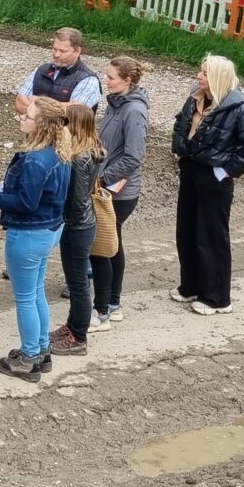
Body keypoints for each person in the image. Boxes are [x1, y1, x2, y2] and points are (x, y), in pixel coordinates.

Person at [170, 56, 244, 315]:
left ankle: (217, 298)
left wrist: (225, 171)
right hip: (190, 168)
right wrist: (178, 150)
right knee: (187, 230)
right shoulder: (196, 96)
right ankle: (190, 286)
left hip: (214, 177)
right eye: (200, 70)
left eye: (204, 72)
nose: (198, 76)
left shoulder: (239, 109)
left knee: (211, 236)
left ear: (217, 78)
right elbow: (180, 122)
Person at [0, 97, 71, 382]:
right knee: (36, 292)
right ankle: (42, 350)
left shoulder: (35, 160)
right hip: (49, 230)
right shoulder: (59, 152)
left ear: (42, 125)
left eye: (28, 116)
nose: (22, 118)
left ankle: (29, 357)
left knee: (24, 298)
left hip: (28, 234)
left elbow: (25, 202)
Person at [91, 57, 150, 330]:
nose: (107, 81)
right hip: (107, 187)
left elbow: (134, 157)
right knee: (113, 244)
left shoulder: (134, 111)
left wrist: (102, 178)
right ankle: (113, 303)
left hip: (119, 193)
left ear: (128, 81)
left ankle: (104, 308)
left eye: (111, 77)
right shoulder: (115, 104)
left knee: (103, 245)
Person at [51, 103, 103, 357]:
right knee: (77, 280)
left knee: (78, 283)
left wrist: (63, 220)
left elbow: (78, 199)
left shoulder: (80, 158)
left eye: (65, 122)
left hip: (77, 226)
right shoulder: (89, 151)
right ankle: (72, 326)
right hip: (81, 224)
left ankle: (79, 336)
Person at [17, 27, 103, 117]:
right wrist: (60, 108)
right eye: (54, 49)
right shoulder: (41, 70)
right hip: (36, 131)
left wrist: (38, 104)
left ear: (77, 51)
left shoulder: (88, 80)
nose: (56, 55)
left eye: (63, 51)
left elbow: (75, 114)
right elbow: (20, 103)